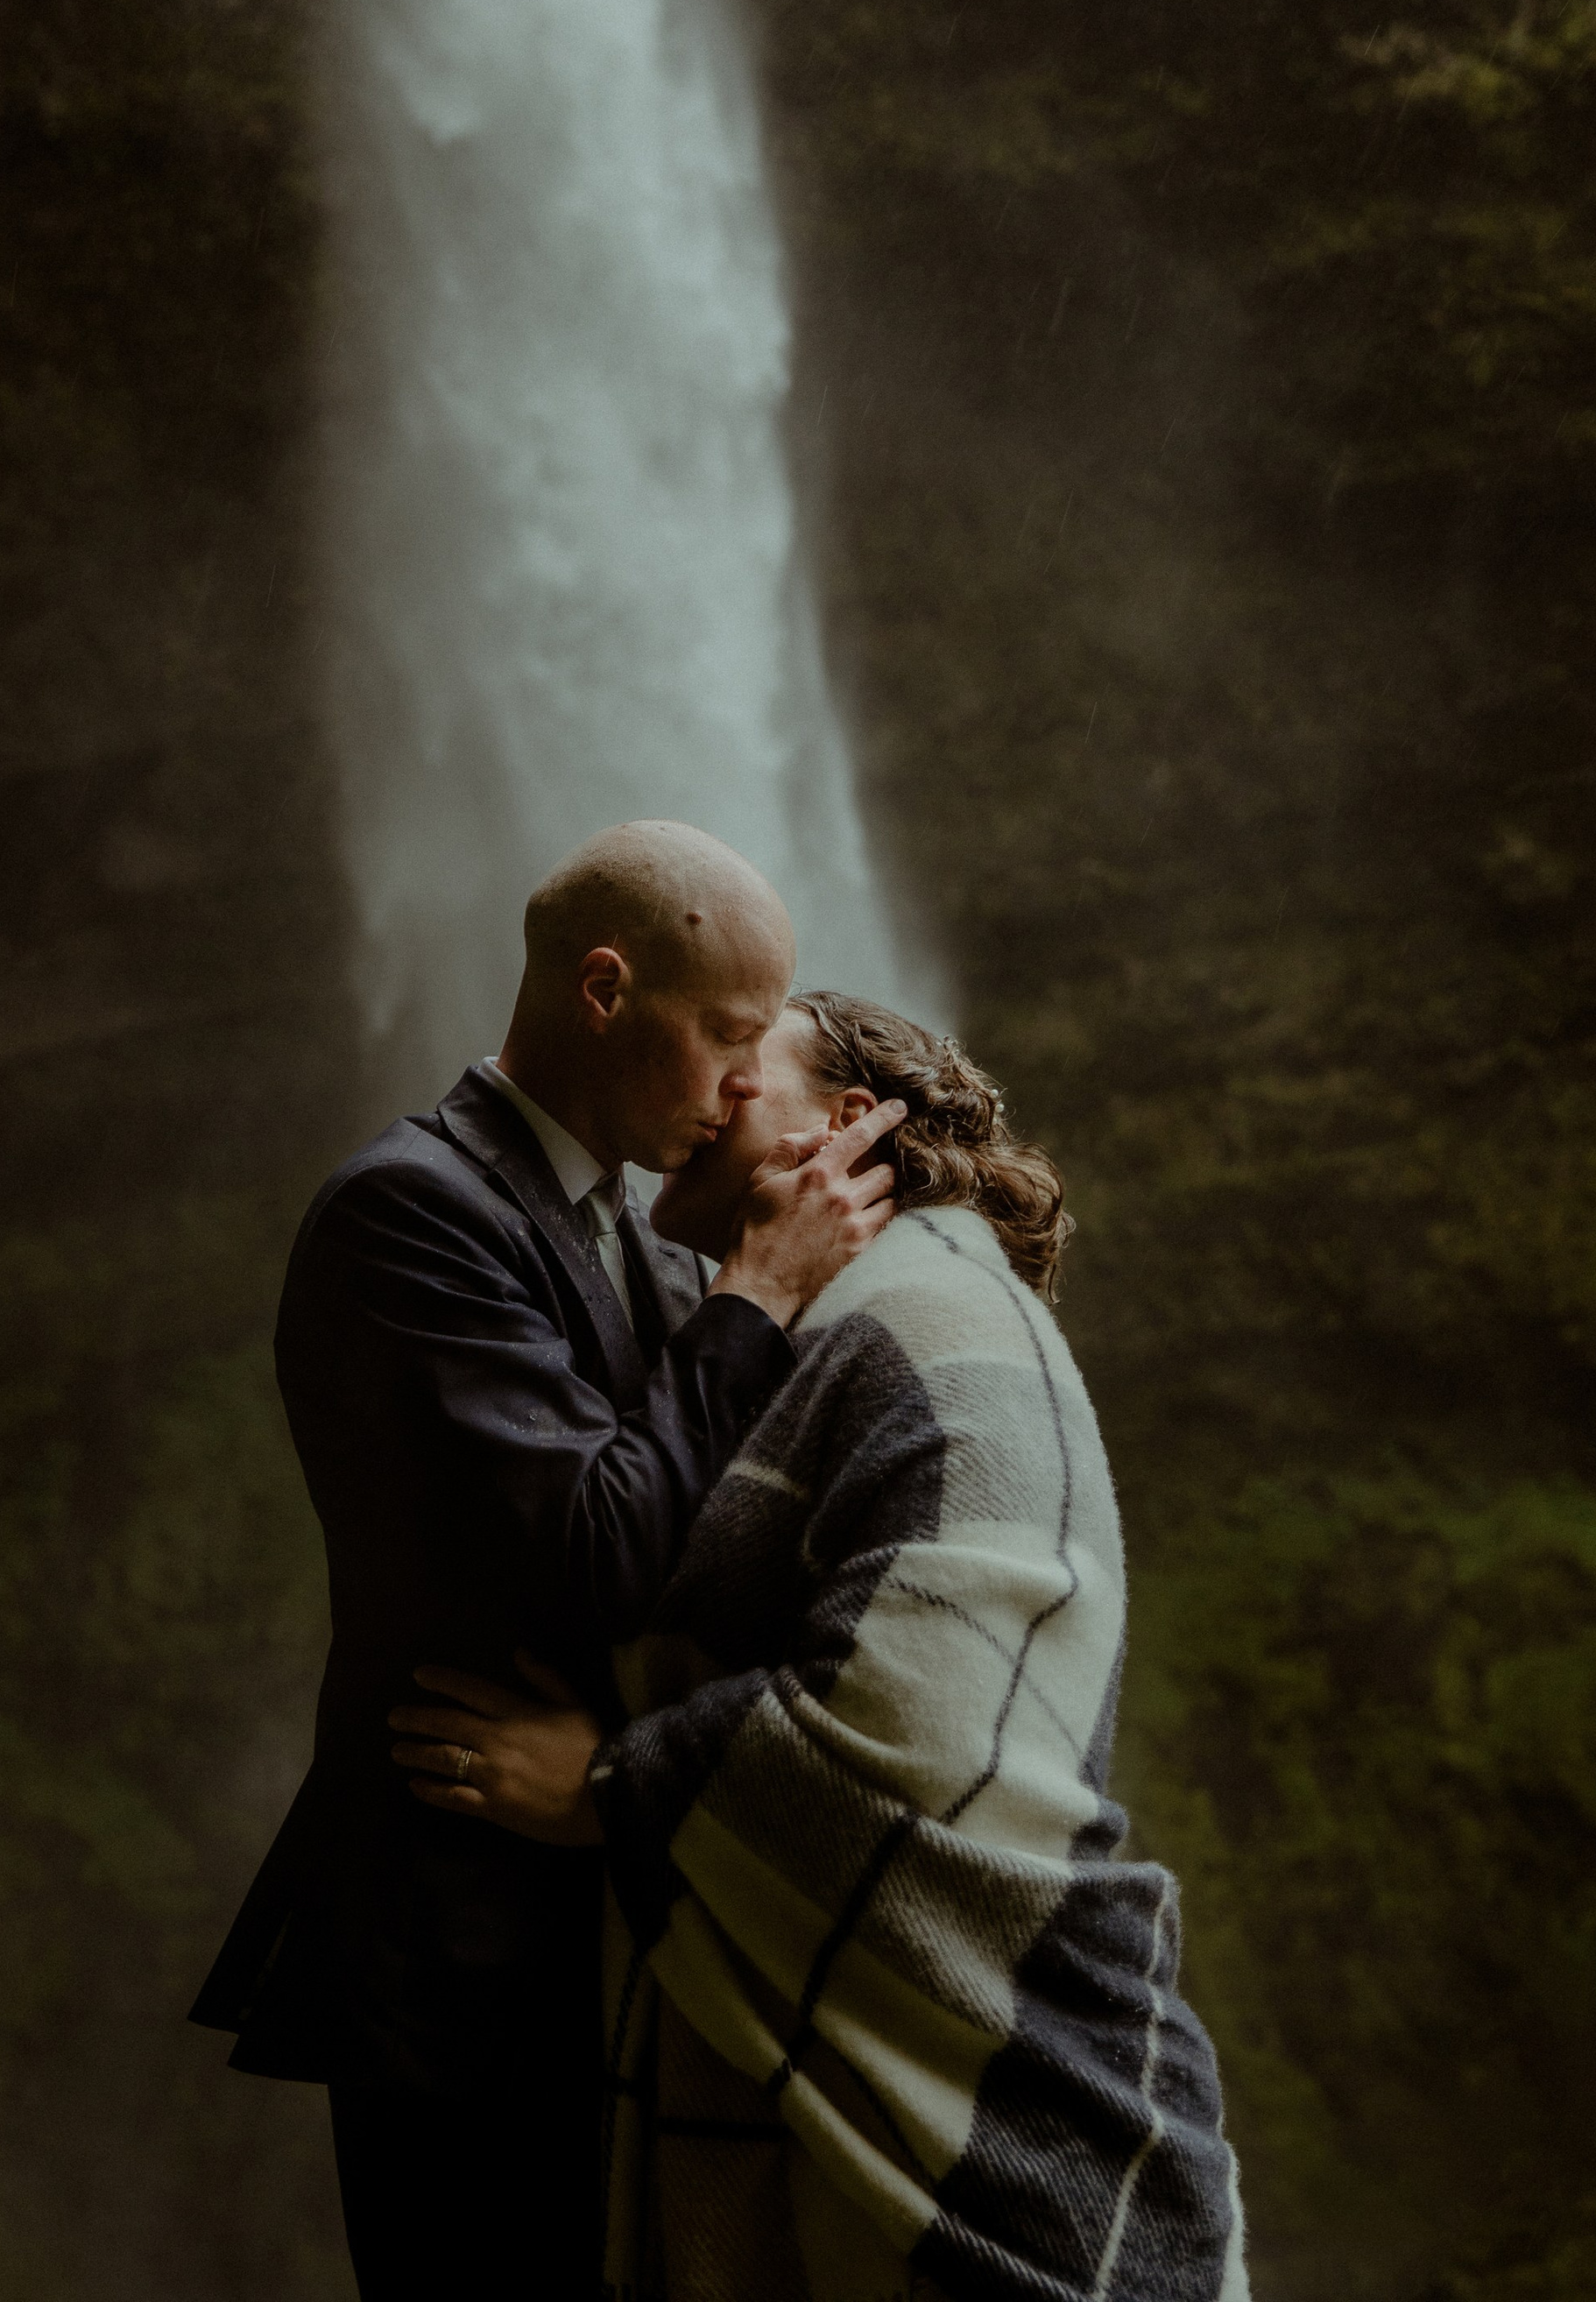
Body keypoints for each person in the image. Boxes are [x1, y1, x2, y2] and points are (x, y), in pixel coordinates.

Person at [395, 990, 1250, 2302]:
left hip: (1014, 2096)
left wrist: (614, 1787)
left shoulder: (946, 1322)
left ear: (846, 1123)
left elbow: (928, 1729)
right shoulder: (802, 1330)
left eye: (749, 1063)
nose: (709, 1086)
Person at [190, 827, 907, 2302]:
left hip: (601, 1947)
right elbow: (602, 1552)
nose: (741, 1086)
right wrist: (758, 1292)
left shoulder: (642, 1240)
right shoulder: (411, 1211)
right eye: (726, 1034)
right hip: (458, 1971)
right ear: (602, 989)